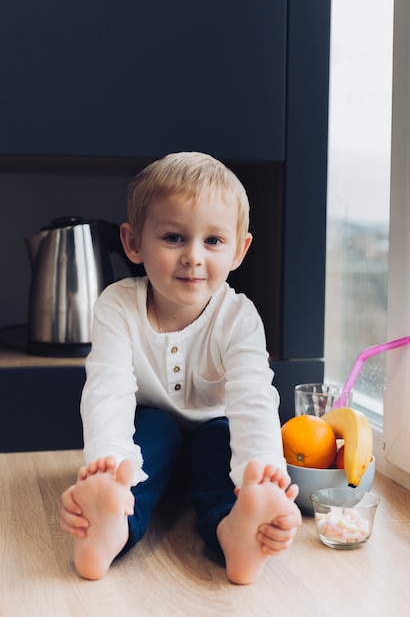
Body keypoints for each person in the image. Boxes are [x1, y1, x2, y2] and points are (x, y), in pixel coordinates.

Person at [60, 152, 301, 584]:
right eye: (173, 238)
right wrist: (107, 465)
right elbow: (107, 390)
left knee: (218, 438)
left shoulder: (239, 317)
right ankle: (112, 526)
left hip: (215, 440)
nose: (193, 256)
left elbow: (254, 398)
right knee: (155, 430)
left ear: (239, 250)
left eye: (213, 241)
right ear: (133, 243)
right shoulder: (117, 305)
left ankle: (235, 533)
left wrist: (263, 473)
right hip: (150, 444)